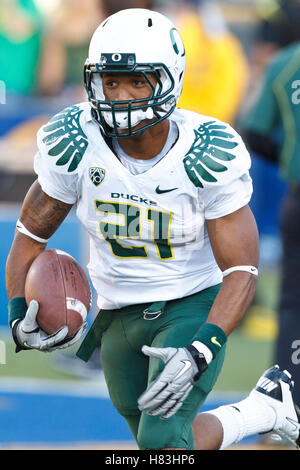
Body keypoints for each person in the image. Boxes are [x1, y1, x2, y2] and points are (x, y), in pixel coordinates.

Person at [5, 8, 300, 450]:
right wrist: (16, 315)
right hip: (116, 306)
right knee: (157, 440)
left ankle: (262, 410)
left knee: (162, 442)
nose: (121, 95)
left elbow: (242, 270)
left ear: (170, 79)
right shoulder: (76, 141)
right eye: (111, 81)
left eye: (138, 81)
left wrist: (203, 347)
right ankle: (265, 409)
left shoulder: (204, 153)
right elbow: (30, 236)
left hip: (189, 300)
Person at [243, 40, 300, 410]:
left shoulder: (286, 61)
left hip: (299, 197)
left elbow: (256, 129)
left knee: (293, 305)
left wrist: (289, 155)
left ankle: (285, 406)